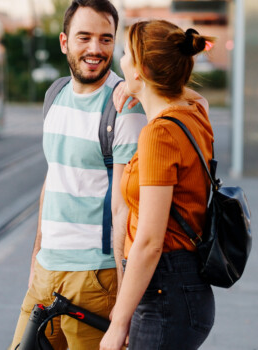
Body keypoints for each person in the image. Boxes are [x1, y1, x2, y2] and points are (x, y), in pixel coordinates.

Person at [8, 0, 147, 349]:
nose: (95, 49)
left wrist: (123, 305)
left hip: (95, 277)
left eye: (105, 39)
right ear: (64, 42)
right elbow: (52, 181)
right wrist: (36, 259)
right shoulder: (54, 96)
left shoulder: (125, 109)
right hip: (45, 272)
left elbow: (125, 208)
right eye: (84, 37)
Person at [100, 20, 217, 350]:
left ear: (141, 70)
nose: (120, 61)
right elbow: (194, 97)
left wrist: (118, 324)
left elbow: (150, 241)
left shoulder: (159, 135)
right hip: (182, 289)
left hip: (165, 294)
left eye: (126, 55)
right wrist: (138, 86)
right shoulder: (194, 113)